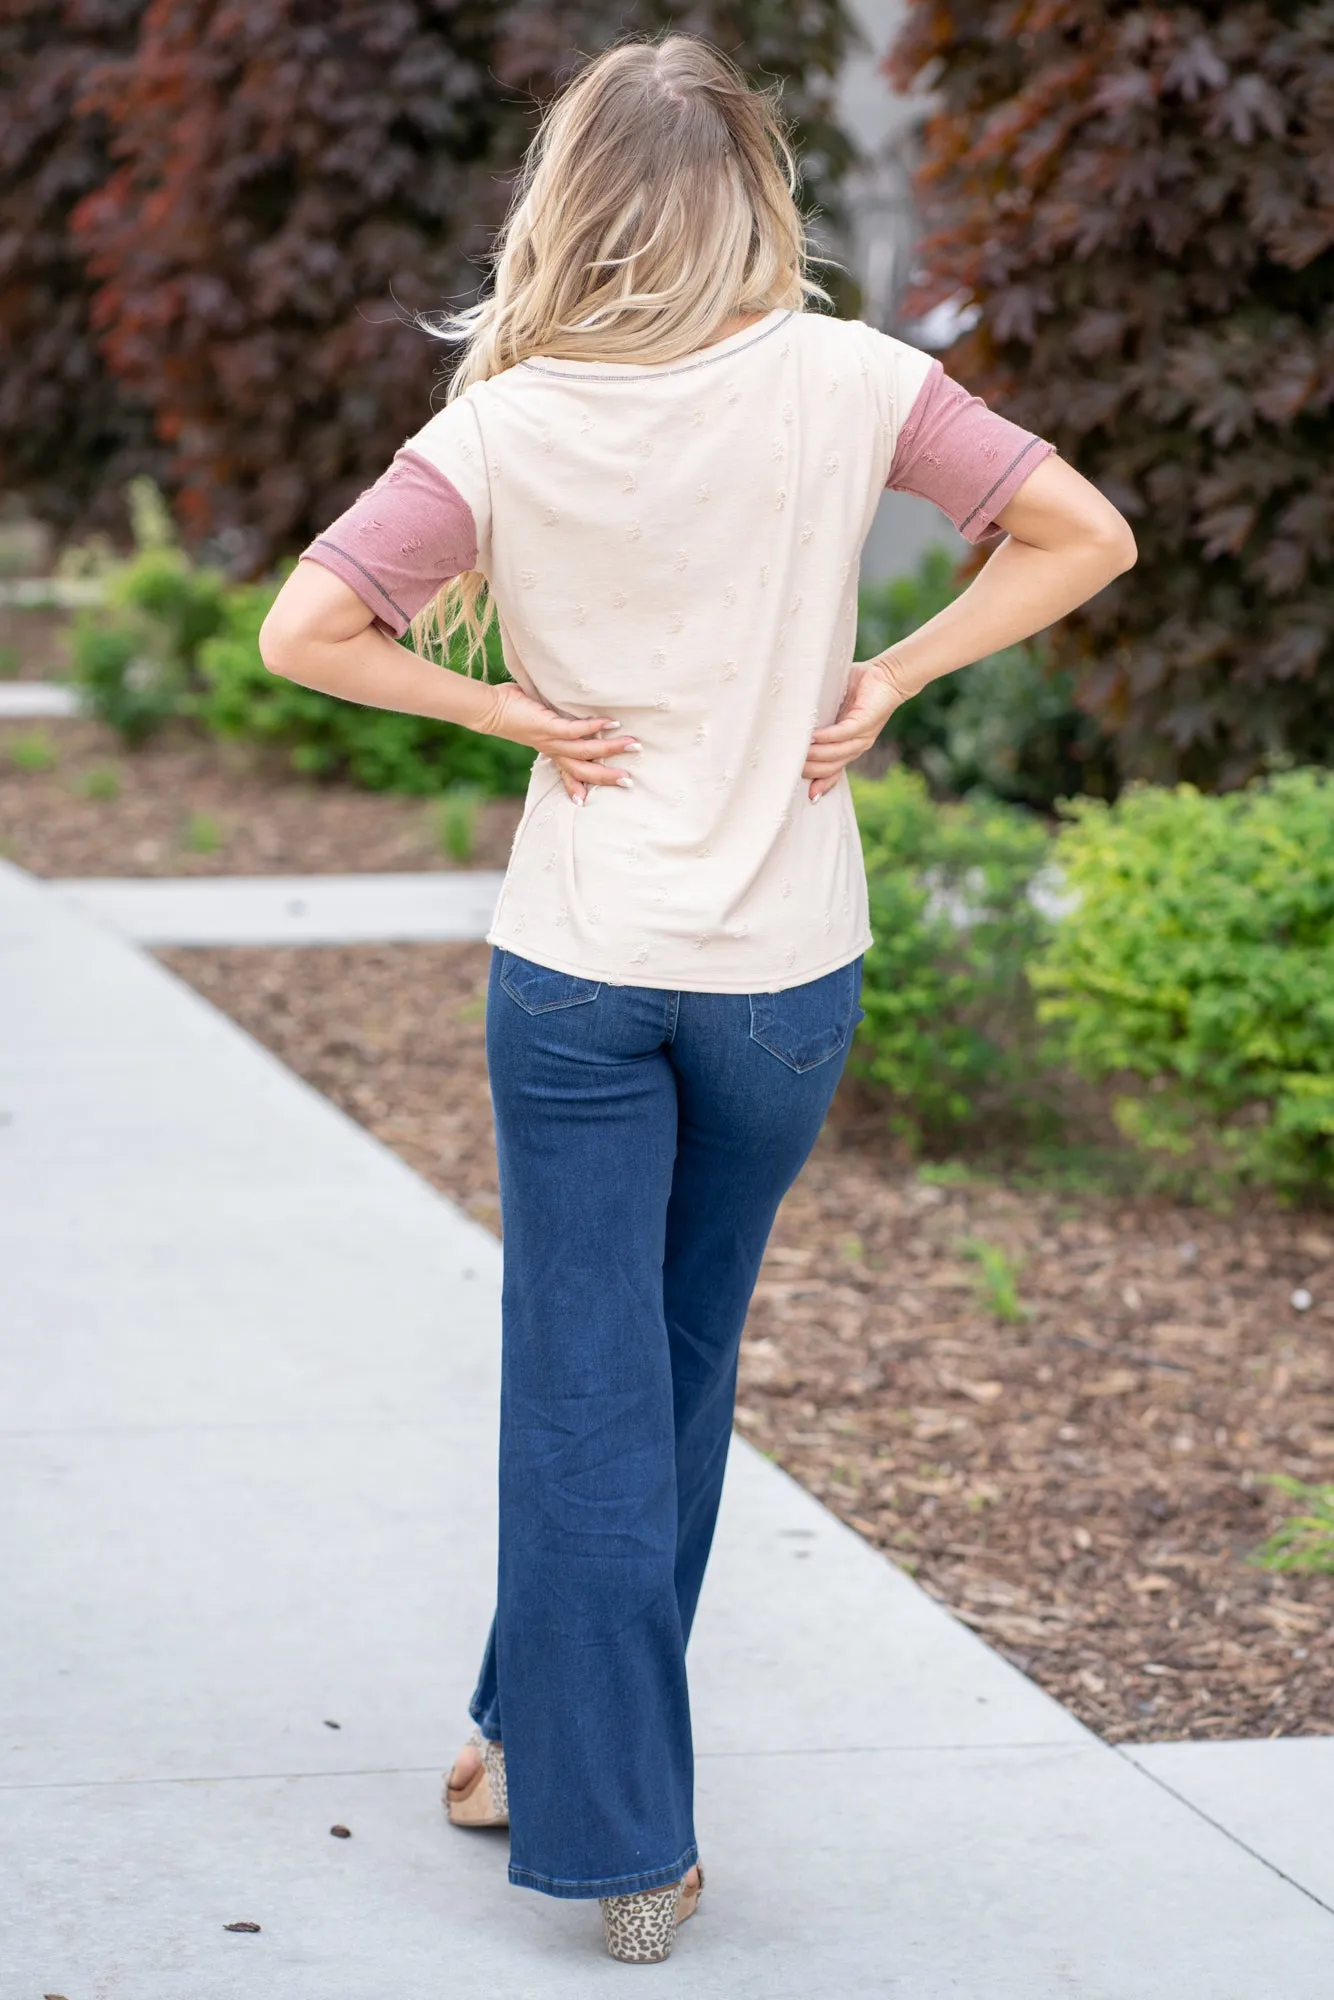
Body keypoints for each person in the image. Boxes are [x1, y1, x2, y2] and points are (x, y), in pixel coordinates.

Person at [258, 32, 1135, 1965]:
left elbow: (306, 627)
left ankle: (604, 1824)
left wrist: (498, 709)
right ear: (760, 197)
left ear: (566, 207)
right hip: (779, 980)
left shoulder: (504, 424)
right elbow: (1084, 532)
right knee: (666, 1364)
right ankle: (546, 1750)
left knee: (586, 1376)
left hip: (574, 971)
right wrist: (893, 678)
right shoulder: (854, 379)